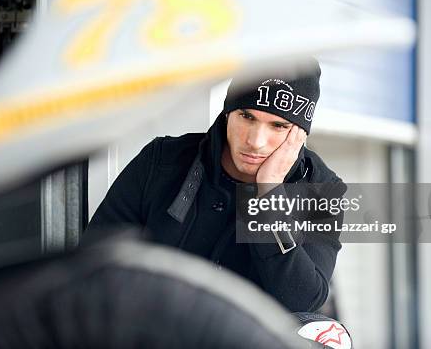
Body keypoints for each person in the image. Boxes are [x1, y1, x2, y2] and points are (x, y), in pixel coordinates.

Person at [85, 58, 347, 313]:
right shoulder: (161, 161)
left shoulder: (322, 191)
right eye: (246, 116)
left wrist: (269, 194)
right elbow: (93, 260)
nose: (256, 141)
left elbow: (303, 301)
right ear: (228, 113)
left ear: (299, 134)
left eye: (278, 125)